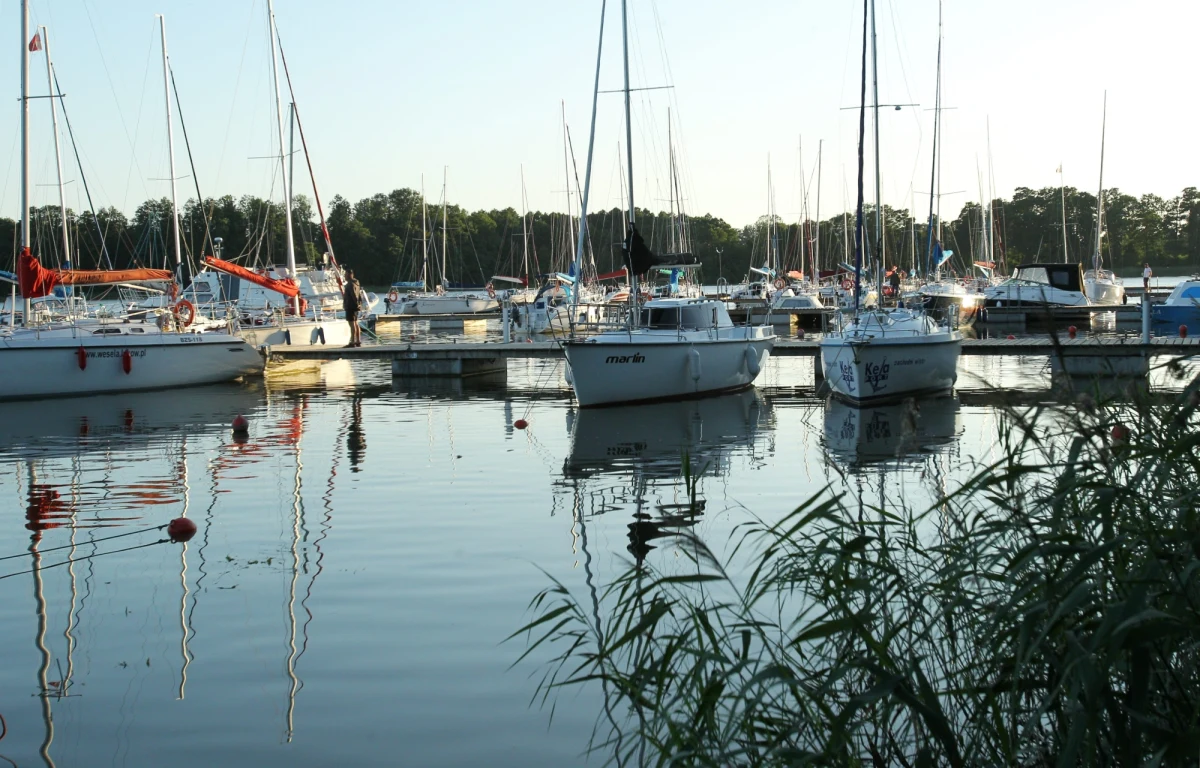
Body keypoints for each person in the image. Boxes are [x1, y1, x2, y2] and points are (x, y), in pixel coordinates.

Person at [343, 268, 363, 347]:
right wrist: (359, 304)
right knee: (356, 323)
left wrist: (355, 304)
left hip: (351, 306)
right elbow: (359, 295)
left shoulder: (350, 284)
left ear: (350, 275)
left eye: (346, 274)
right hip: (355, 307)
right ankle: (358, 341)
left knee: (352, 324)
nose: (345, 276)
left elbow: (354, 295)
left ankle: (352, 342)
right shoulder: (357, 283)